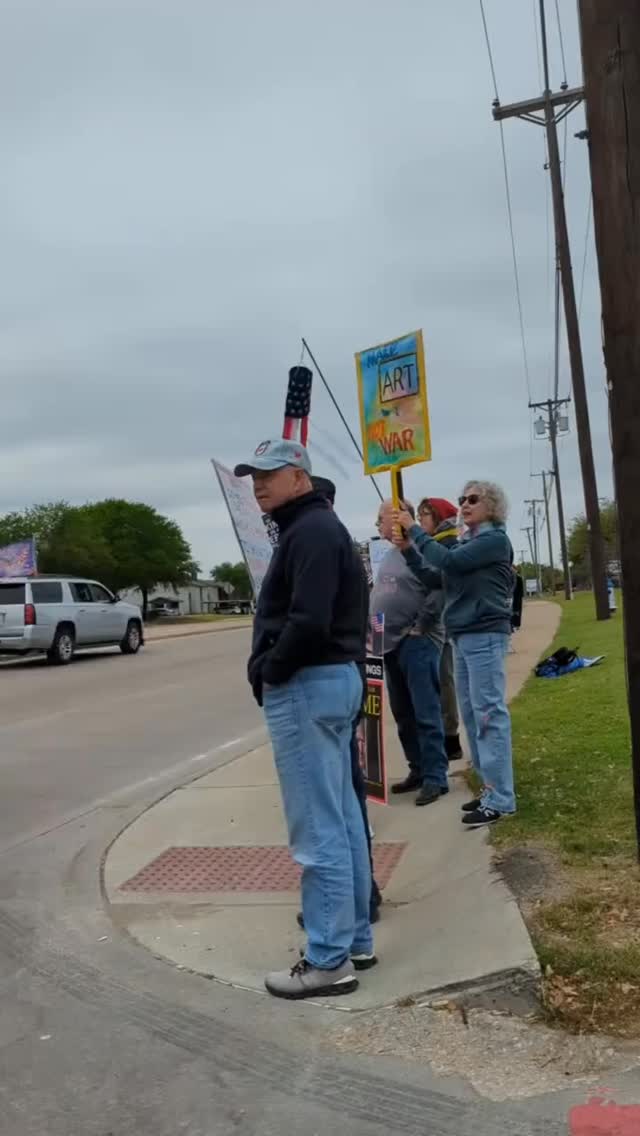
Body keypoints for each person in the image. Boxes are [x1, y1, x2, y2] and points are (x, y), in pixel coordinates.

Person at [235, 439, 373, 1000]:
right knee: (339, 819)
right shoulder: (312, 527)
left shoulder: (310, 530)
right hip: (330, 681)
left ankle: (327, 959)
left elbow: (308, 619)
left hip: (309, 683)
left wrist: (270, 668)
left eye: (270, 474)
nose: (258, 484)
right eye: (253, 475)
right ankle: (355, 939)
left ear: (300, 477)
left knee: (317, 829)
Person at [393, 481, 516, 829]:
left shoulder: (493, 541)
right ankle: (491, 792)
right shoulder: (471, 542)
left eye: (473, 499)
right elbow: (437, 577)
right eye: (462, 499)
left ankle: (502, 799)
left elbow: (445, 559)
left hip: (484, 634)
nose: (464, 504)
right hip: (463, 636)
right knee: (475, 718)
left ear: (492, 505)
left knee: (489, 715)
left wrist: (414, 529)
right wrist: (407, 550)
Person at [370, 498, 448, 806]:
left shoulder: (418, 550)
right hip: (387, 644)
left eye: (381, 518)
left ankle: (435, 777)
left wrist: (422, 625)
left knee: (425, 711)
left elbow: (438, 587)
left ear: (399, 518)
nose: (377, 524)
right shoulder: (388, 555)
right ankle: (417, 769)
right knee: (403, 714)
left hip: (415, 642)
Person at [416, 497, 462, 762]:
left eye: (425, 514)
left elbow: (437, 589)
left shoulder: (445, 546)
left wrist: (423, 622)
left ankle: (451, 741)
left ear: (439, 516)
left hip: (439, 627)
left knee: (444, 683)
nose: (421, 519)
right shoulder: (432, 545)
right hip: (438, 625)